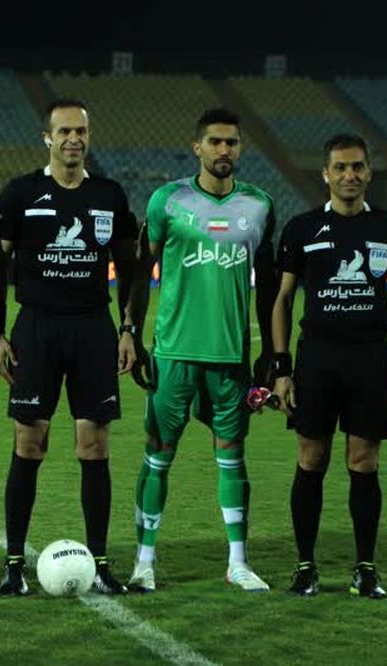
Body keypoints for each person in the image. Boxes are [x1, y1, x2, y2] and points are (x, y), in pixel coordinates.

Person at [120, 107, 277, 593]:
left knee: (232, 457)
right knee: (158, 455)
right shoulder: (168, 201)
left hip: (230, 357)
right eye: (215, 142)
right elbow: (140, 271)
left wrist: (272, 352)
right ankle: (144, 562)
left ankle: (238, 563)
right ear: (197, 147)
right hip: (173, 354)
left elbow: (270, 285)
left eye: (231, 142)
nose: (223, 150)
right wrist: (129, 331)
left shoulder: (260, 205)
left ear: (240, 148)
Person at [0, 99, 136, 596]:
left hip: (93, 328)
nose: (73, 139)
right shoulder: (21, 193)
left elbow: (130, 268)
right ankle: (13, 564)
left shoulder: (108, 196)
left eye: (81, 131)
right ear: (47, 138)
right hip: (37, 328)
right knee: (29, 442)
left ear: (88, 137)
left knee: (94, 444)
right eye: (64, 131)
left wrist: (129, 328)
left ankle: (101, 562)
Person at [271, 134, 387, 599]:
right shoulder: (302, 228)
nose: (349, 175)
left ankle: (365, 568)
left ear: (368, 172)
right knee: (310, 458)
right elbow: (282, 299)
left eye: (357, 167)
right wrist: (281, 368)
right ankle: (305, 567)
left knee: (364, 461)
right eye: (340, 167)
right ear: (326, 174)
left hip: (370, 357)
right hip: (316, 357)